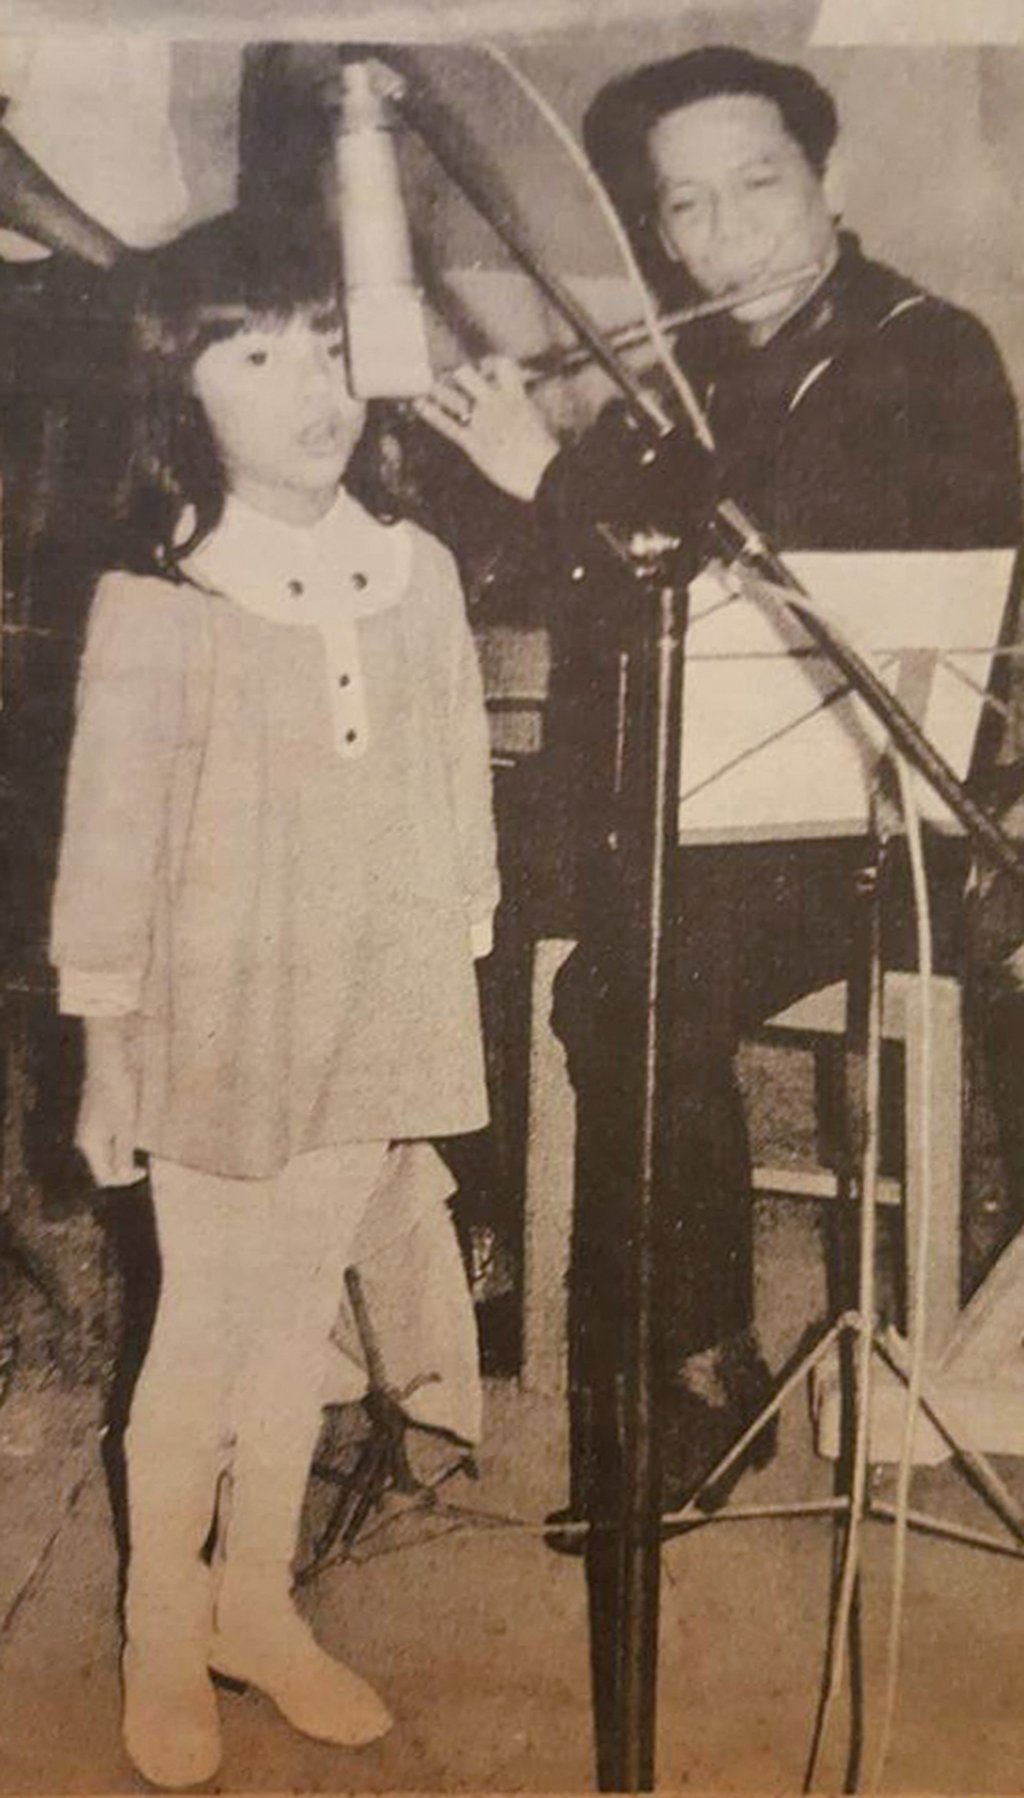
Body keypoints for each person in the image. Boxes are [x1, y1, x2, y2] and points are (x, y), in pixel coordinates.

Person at [415, 46, 1022, 1520]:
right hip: (694, 811)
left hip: (872, 824)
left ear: (832, 183)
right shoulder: (677, 377)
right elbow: (584, 585)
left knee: (624, 985)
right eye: (685, 209)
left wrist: (550, 481)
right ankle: (461, 1294)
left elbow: (796, 583)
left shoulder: (923, 351)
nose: (726, 235)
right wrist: (476, 466)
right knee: (443, 892)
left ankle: (694, 1370)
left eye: (758, 187)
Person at [49, 209, 499, 1789]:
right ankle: (162, 1630)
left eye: (326, 345)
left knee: (301, 1319)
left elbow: (453, 788)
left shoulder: (416, 572)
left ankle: (256, 1603)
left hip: (371, 999)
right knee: (206, 1334)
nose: (308, 385)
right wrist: (107, 1052)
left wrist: (449, 952)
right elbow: (106, 862)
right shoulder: (164, 601)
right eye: (255, 352)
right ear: (187, 396)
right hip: (219, 1019)